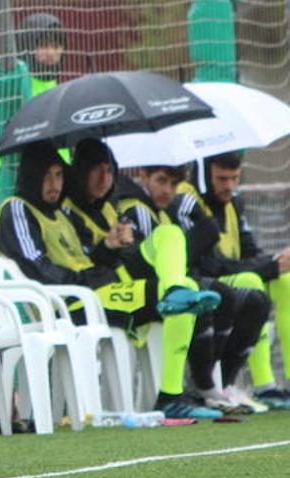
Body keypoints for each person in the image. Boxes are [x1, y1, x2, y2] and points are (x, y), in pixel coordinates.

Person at [0, 142, 223, 422]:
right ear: (31, 176)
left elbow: (85, 259)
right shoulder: (18, 208)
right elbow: (37, 268)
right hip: (74, 302)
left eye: (58, 175)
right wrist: (91, 276)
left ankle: (174, 290)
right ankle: (171, 397)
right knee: (187, 293)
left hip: (97, 289)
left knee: (170, 235)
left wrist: (109, 246)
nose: (54, 183)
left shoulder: (58, 213)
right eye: (46, 176)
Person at [116, 163, 271, 412]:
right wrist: (204, 230)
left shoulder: (169, 209)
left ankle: (223, 386)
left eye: (174, 184)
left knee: (251, 293)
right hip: (124, 290)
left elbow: (212, 260)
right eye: (161, 181)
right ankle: (174, 394)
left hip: (168, 282)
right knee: (185, 279)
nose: (168, 190)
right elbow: (137, 263)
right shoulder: (136, 210)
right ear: (142, 176)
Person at [173, 152, 290, 408]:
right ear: (205, 176)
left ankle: (284, 382)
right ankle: (263, 385)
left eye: (234, 178)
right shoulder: (186, 200)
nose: (229, 186)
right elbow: (205, 263)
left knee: (286, 281)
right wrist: (267, 267)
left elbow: (250, 252)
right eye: (221, 179)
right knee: (252, 282)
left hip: (227, 275)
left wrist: (274, 262)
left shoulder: (233, 203)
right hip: (204, 280)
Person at [0, 12, 67, 210]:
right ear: (27, 47)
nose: (51, 53)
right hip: (6, 187)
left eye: (57, 46)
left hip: (52, 191)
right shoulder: (8, 84)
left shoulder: (56, 88)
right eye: (43, 45)